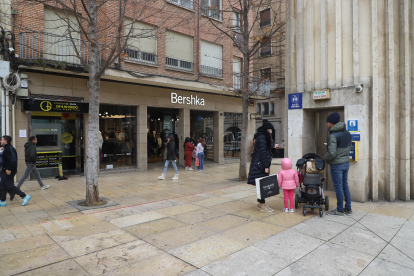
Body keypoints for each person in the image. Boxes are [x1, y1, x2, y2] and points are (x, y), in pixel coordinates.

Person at [324, 112, 352, 217]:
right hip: (346, 163)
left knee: (339, 187)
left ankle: (340, 209)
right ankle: (348, 208)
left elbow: (331, 153)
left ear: (331, 123)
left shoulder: (333, 135)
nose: (326, 124)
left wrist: (325, 158)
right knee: (345, 185)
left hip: (337, 165)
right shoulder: (347, 133)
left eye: (327, 122)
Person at [247, 119, 279, 212]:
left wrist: (273, 146)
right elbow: (263, 152)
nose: (271, 131)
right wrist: (265, 166)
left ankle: (261, 204)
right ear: (267, 129)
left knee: (260, 184)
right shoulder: (262, 138)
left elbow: (265, 148)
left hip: (259, 164)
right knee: (262, 185)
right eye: (270, 130)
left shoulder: (261, 137)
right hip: (260, 165)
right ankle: (262, 205)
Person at [0, 136, 31, 207]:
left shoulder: (9, 148)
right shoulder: (6, 148)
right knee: (2, 186)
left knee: (9, 186)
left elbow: (13, 160)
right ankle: (2, 201)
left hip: (8, 170)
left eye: (1, 139)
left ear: (5, 141)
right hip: (4, 170)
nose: (0, 140)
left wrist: (8, 169)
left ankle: (24, 196)